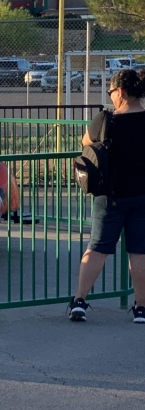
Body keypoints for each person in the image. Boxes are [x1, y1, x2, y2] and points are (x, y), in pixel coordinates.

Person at [68, 69, 145, 324]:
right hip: (142, 194)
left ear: (120, 92)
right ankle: (141, 308)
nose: (111, 97)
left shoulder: (105, 120)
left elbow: (86, 143)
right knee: (139, 253)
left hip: (110, 195)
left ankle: (79, 301)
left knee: (97, 249)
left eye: (111, 92)